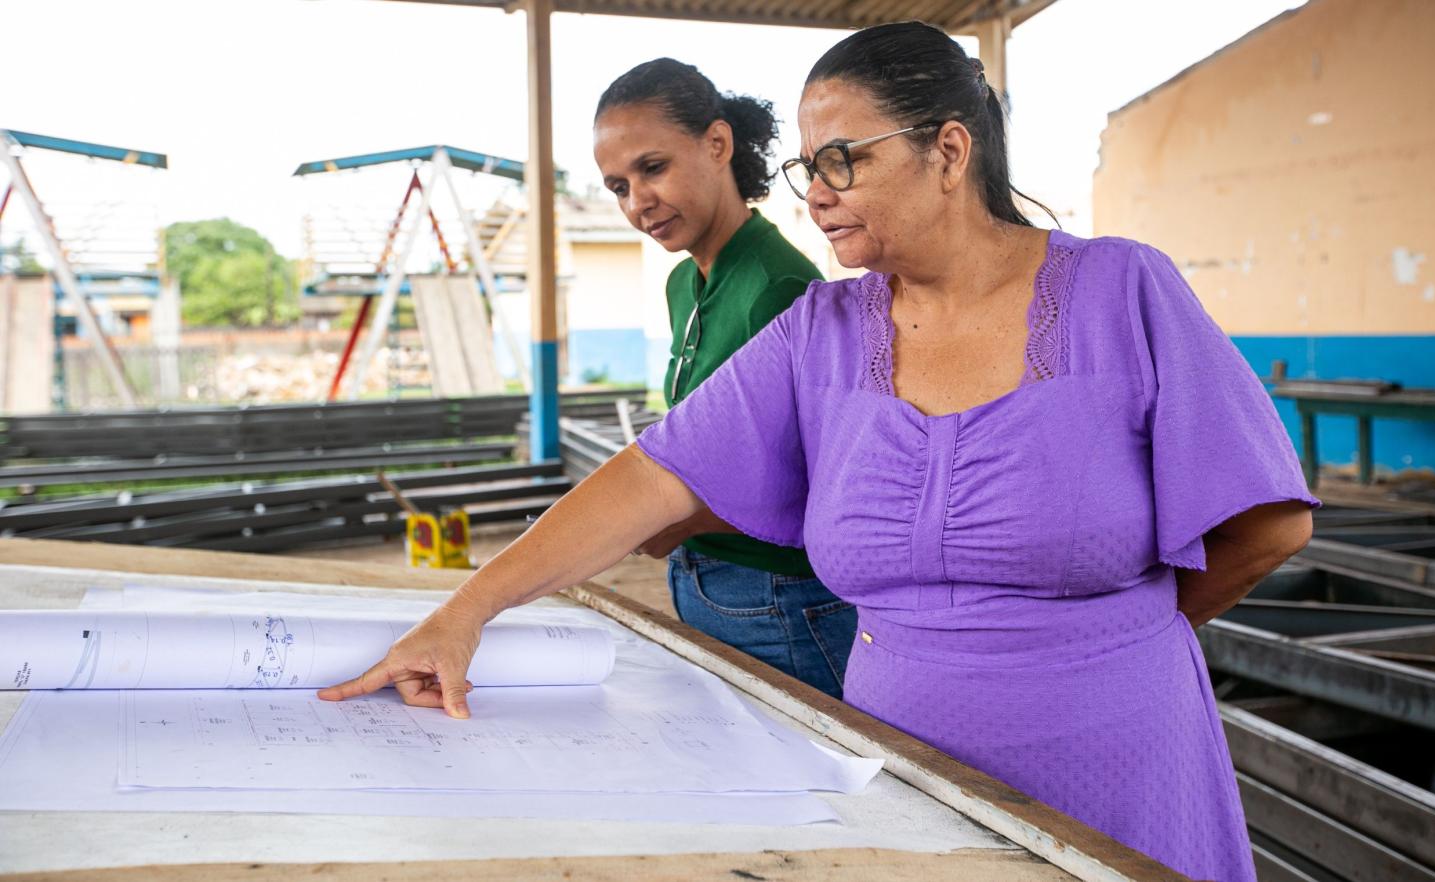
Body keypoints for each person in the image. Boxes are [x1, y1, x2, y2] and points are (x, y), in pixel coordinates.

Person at [321, 23, 1315, 881]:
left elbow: (1269, 524)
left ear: (948, 150)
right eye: (807, 170)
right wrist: (465, 612)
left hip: (1116, 769)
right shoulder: (824, 334)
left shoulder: (1120, 293)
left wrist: (1111, 639)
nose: (816, 194)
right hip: (905, 774)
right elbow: (652, 477)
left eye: (842, 160)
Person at [591, 58, 855, 697]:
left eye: (652, 168)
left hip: (782, 602)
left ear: (717, 144)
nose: (638, 202)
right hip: (702, 582)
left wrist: (675, 519)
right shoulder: (685, 282)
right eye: (618, 186)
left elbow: (824, 485)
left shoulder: (781, 288)